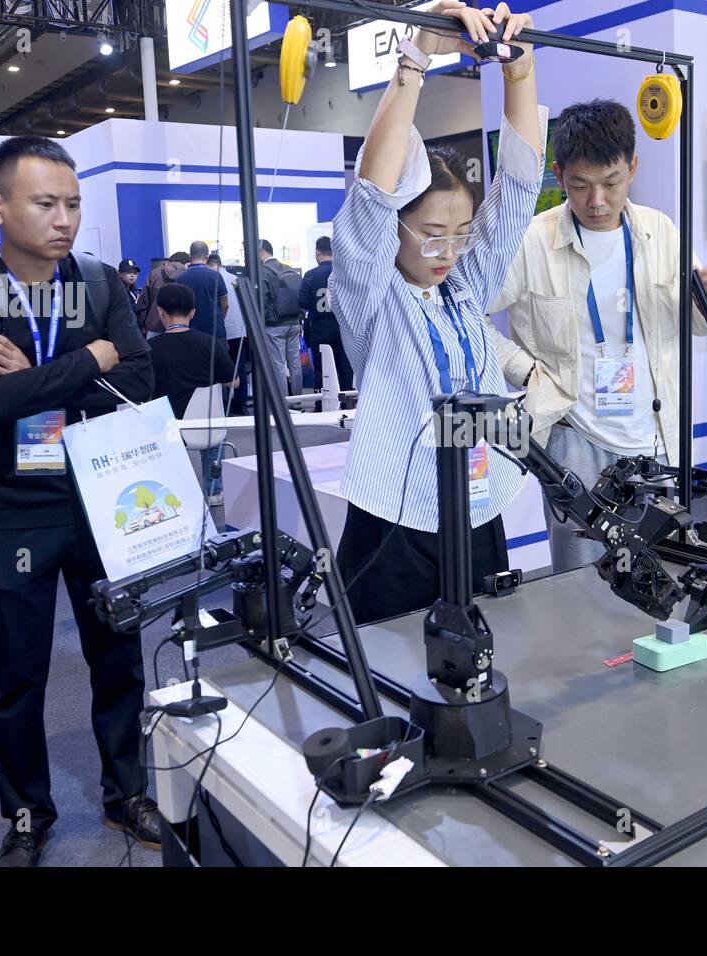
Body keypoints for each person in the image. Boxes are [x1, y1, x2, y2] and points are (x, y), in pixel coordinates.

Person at [0, 135, 159, 866]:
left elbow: (145, 381)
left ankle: (127, 795)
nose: (64, 219)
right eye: (46, 203)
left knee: (118, 654)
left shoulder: (97, 282)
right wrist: (91, 359)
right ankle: (27, 812)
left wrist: (39, 375)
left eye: (73, 204)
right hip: (12, 507)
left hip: (103, 495)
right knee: (16, 671)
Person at [329, 0, 544, 623]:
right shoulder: (371, 298)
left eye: (460, 232)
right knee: (392, 676)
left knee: (483, 657)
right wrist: (415, 58)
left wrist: (519, 73)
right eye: (429, 233)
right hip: (399, 517)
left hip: (476, 503)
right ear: (395, 230)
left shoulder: (465, 285)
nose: (448, 251)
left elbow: (521, 186)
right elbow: (370, 194)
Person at [483, 98, 707, 573]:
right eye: (580, 185)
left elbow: (700, 325)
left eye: (611, 183)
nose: (596, 201)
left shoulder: (659, 231)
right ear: (559, 176)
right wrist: (528, 372)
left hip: (657, 436)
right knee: (583, 583)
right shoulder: (532, 241)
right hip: (576, 436)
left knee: (663, 572)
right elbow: (466, 314)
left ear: (632, 168)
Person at [148, 282, 236, 505]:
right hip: (208, 427)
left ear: (161, 312)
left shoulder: (151, 348)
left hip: (169, 428)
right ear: (193, 312)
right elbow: (233, 382)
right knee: (214, 431)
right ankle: (214, 491)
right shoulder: (210, 344)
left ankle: (172, 491)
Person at [300, 235, 354, 406]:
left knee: (322, 370)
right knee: (344, 367)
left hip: (319, 328)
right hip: (342, 328)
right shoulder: (343, 272)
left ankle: (321, 404)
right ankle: (347, 402)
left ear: (317, 252)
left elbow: (301, 302)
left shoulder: (310, 275)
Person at [259, 239, 306, 395]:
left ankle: (284, 403)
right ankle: (298, 400)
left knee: (279, 364)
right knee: (295, 363)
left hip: (275, 325)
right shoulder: (288, 268)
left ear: (261, 252)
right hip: (294, 322)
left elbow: (262, 300)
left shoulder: (263, 271)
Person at [207, 253, 249, 414]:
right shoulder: (235, 278)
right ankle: (241, 405)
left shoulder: (212, 278)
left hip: (221, 332)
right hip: (239, 329)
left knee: (221, 369)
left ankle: (224, 407)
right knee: (239, 369)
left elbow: (223, 306)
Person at [175, 240, 229, 340]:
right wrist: (219, 319)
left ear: (190, 255)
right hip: (215, 332)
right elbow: (225, 304)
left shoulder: (180, 279)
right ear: (207, 257)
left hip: (190, 332)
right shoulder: (216, 276)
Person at [135, 251, 189, 334]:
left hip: (153, 328)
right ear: (186, 263)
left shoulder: (154, 274)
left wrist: (143, 324)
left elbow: (142, 302)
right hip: (179, 327)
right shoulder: (187, 275)